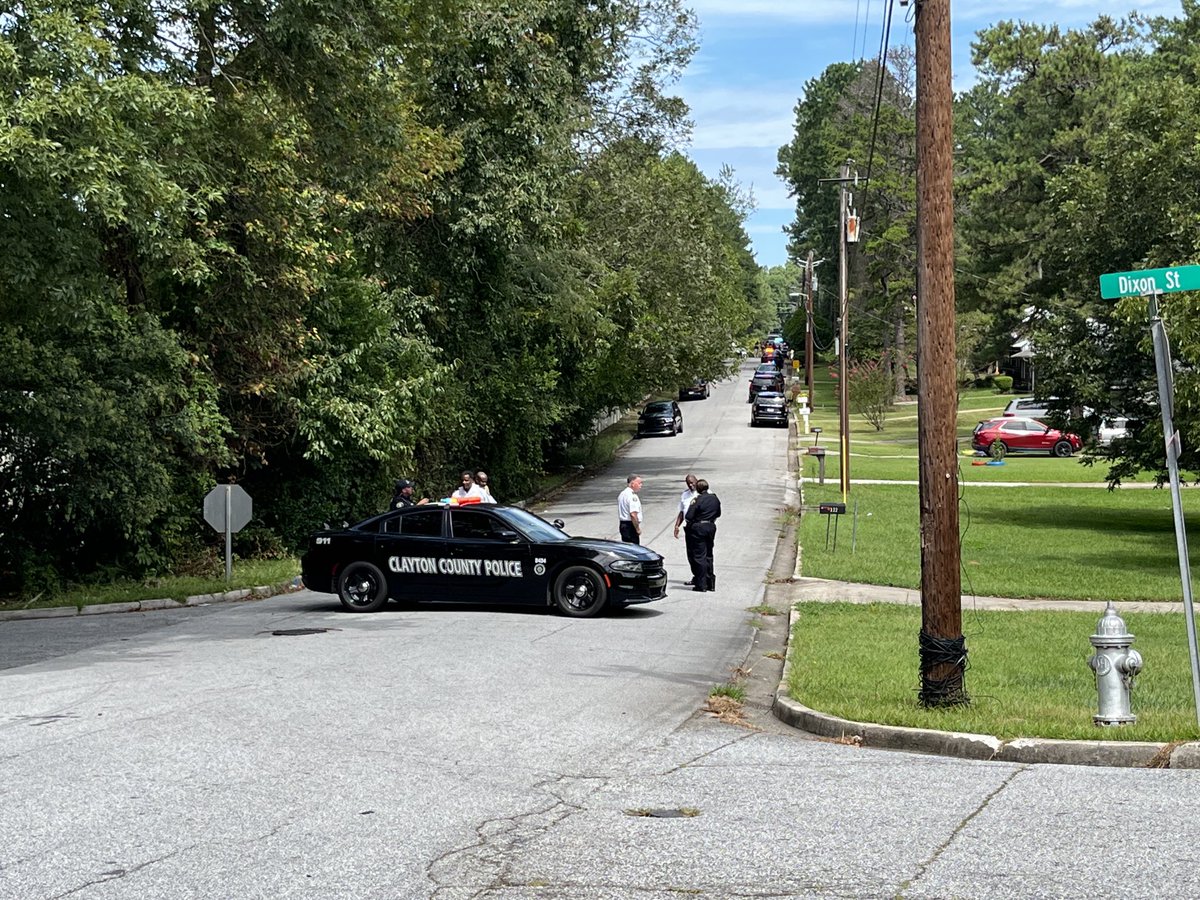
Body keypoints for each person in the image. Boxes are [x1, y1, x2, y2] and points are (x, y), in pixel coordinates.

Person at [684, 478, 721, 591]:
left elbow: (688, 516)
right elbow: (718, 513)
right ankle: (711, 583)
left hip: (698, 529)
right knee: (709, 555)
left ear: (698, 489)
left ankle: (701, 584)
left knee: (699, 556)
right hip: (710, 526)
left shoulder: (697, 500)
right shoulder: (715, 499)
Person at [673, 473, 699, 585]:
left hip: (700, 526)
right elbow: (682, 512)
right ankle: (696, 576)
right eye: (688, 483)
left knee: (701, 554)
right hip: (689, 526)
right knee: (691, 554)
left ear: (696, 481)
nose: (690, 485)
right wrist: (677, 525)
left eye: (692, 482)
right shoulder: (685, 495)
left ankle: (704, 577)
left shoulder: (705, 493)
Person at [617, 474, 644, 544]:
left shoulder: (622, 494)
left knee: (627, 548)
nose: (641, 485)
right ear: (632, 484)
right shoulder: (632, 496)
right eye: (639, 483)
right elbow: (633, 514)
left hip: (623, 525)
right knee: (634, 549)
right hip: (630, 526)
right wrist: (637, 528)